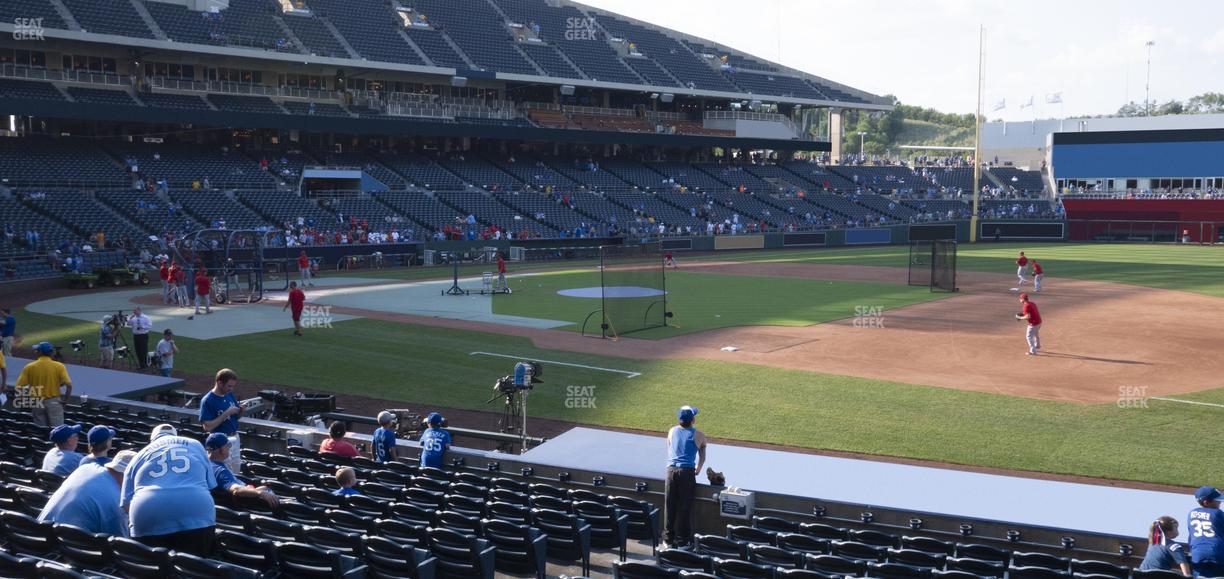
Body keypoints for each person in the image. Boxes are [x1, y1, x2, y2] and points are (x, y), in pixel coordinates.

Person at [121, 424, 217, 555]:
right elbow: (210, 485)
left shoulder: (137, 457)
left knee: (155, 568)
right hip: (195, 508)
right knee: (192, 568)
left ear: (152, 439)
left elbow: (126, 504)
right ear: (175, 435)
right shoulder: (195, 444)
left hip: (148, 512)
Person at [38, 450, 136, 537]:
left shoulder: (86, 468)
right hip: (63, 547)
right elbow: (121, 545)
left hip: (39, 532)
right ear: (129, 476)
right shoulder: (117, 503)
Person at [664, 405, 707, 549]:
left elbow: (670, 446)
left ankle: (668, 540)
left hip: (670, 471)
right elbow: (702, 454)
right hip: (686, 473)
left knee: (669, 505)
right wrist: (698, 469)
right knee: (684, 506)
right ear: (693, 420)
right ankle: (683, 541)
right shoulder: (699, 435)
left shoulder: (671, 431)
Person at [204, 433, 277, 509]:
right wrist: (259, 493)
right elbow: (235, 490)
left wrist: (252, 490)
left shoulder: (206, 464)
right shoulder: (220, 471)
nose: (230, 447)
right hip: (246, 503)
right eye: (228, 445)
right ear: (222, 450)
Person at [17, 341, 72, 426]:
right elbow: (69, 385)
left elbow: (19, 386)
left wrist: (24, 400)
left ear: (40, 352)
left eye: (37, 350)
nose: (36, 352)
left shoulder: (30, 367)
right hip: (54, 402)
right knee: (57, 431)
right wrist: (65, 401)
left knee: (41, 432)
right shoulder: (59, 366)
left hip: (37, 402)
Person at [199, 368, 244, 473]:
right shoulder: (208, 400)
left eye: (233, 386)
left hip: (235, 437)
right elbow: (207, 427)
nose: (231, 389)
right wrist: (226, 413)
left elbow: (236, 417)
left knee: (237, 468)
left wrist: (241, 411)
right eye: (229, 386)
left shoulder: (229, 395)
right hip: (221, 442)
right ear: (219, 382)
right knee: (226, 471)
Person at [1188, 486, 1224, 578]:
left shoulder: (1191, 513)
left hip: (1197, 555)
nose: (1220, 502)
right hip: (1217, 554)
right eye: (1217, 500)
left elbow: (1191, 536)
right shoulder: (1218, 513)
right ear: (1206, 502)